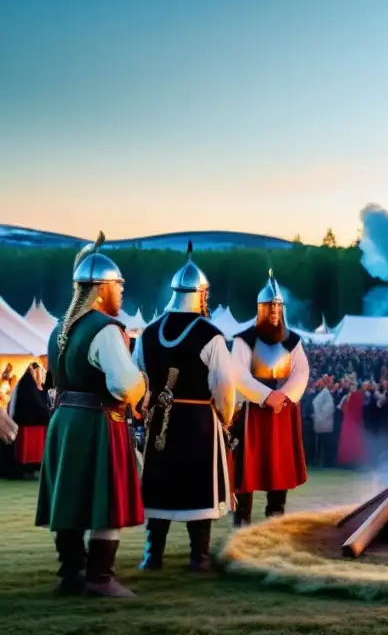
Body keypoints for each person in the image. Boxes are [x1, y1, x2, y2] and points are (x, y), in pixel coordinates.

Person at [35, 233, 147, 597]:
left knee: (69, 497)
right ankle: (99, 577)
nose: (122, 293)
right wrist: (142, 383)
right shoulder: (104, 329)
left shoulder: (58, 330)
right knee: (106, 497)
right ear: (101, 289)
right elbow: (124, 384)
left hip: (64, 421)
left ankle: (71, 572)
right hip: (99, 421)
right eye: (118, 286)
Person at [134, 242, 239, 572]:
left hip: (159, 422)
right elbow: (224, 386)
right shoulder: (212, 335)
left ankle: (154, 555)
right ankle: (199, 556)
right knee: (197, 485)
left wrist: (145, 409)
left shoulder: (149, 333)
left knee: (161, 482)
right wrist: (225, 417)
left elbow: (139, 381)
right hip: (198, 422)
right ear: (202, 295)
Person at [230, 270, 308, 526]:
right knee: (246, 468)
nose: (274, 311)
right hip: (252, 411)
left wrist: (282, 397)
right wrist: (265, 396)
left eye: (278, 306)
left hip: (281, 412)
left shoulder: (293, 341)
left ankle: (275, 518)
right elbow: (238, 374)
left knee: (279, 467)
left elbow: (301, 372)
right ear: (260, 308)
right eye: (269, 306)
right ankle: (242, 522)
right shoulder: (244, 340)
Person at [7, 362, 49, 478]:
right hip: (30, 423)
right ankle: (29, 467)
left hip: (22, 421)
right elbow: (37, 403)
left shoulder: (21, 383)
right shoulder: (28, 385)